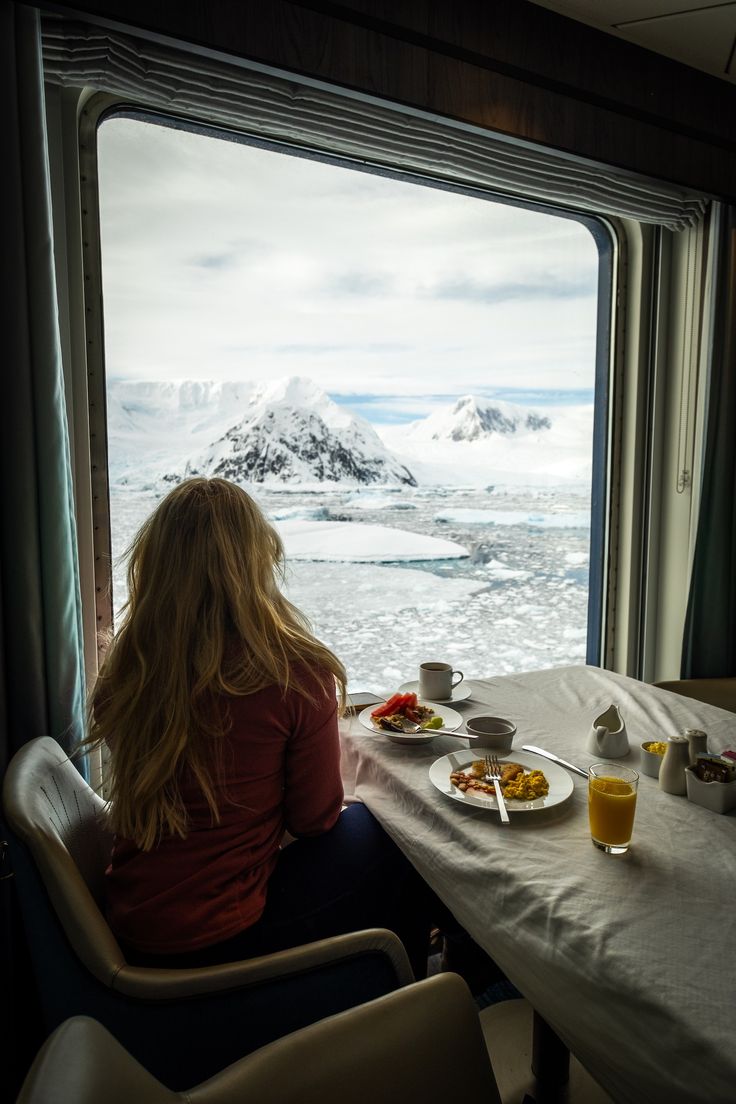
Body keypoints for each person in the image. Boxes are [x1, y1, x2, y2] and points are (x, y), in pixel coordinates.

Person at [81, 476, 440, 977]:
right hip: (225, 936)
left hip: (136, 920)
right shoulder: (292, 673)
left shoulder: (129, 673)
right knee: (397, 837)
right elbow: (314, 820)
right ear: (256, 565)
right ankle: (408, 995)